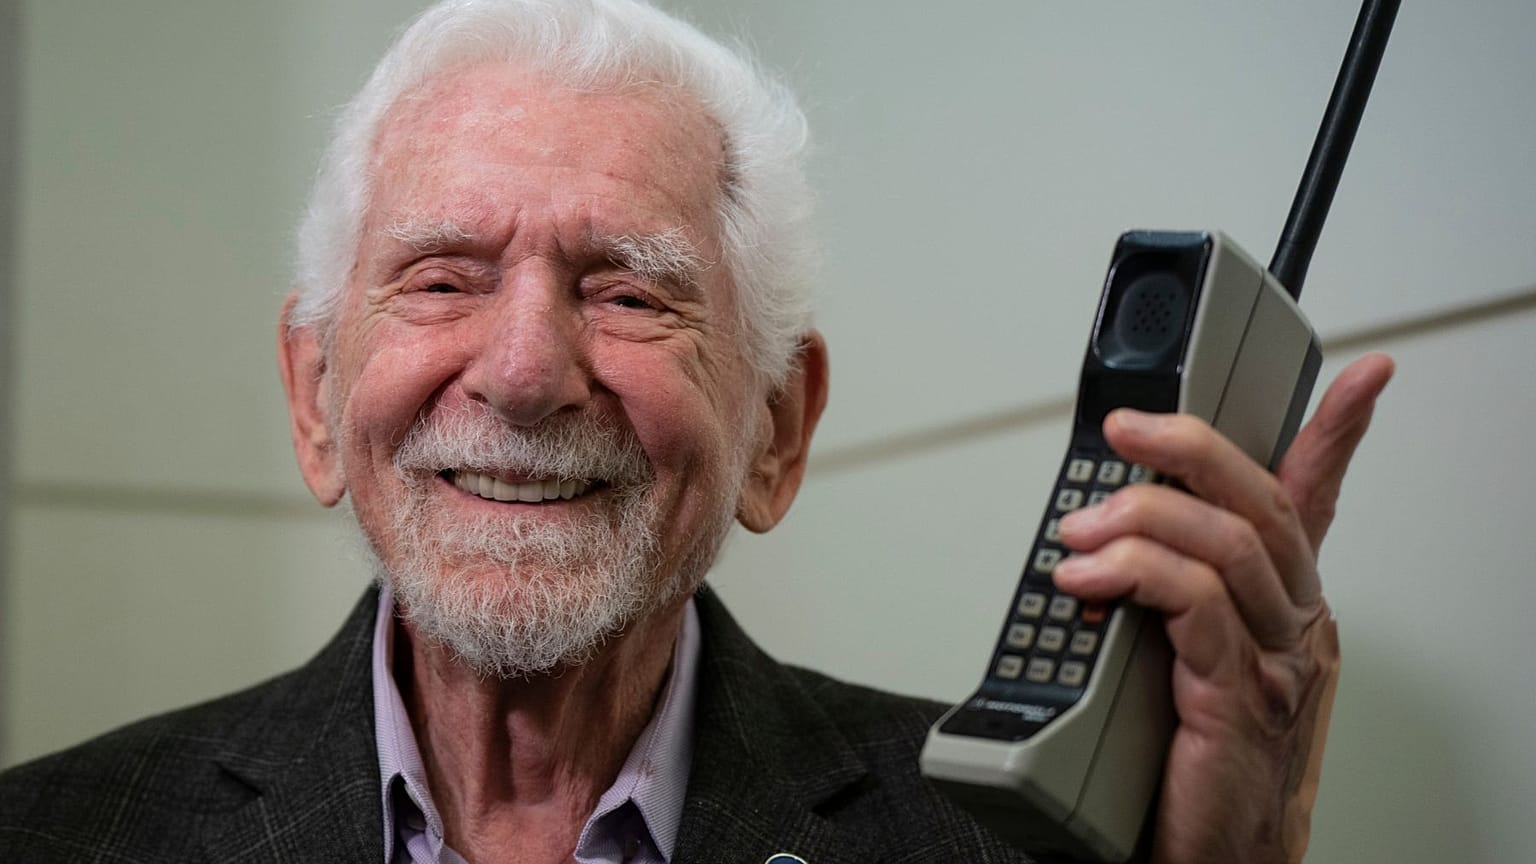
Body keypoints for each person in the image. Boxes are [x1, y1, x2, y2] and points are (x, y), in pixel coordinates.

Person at [0, 0, 1394, 861]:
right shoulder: (52, 837)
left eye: (627, 290)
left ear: (777, 429)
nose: (529, 370)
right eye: (441, 278)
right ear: (316, 400)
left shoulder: (1002, 850)